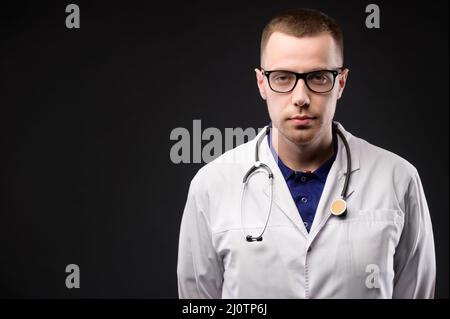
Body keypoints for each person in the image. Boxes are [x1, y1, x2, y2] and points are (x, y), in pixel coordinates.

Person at [177, 8, 435, 299]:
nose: (300, 97)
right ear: (262, 83)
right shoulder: (211, 185)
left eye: (319, 77)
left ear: (341, 82)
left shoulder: (397, 179)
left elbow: (416, 292)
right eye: (283, 78)